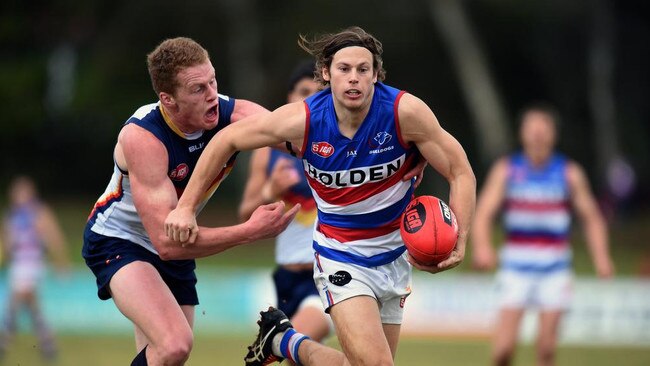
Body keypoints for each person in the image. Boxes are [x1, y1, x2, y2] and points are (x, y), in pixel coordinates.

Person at [165, 27, 476, 366]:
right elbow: (226, 140)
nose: (353, 79)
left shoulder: (405, 113)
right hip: (341, 255)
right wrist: (185, 207)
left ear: (376, 74)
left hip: (396, 257)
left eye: (363, 69)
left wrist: (460, 238)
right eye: (344, 69)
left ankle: (284, 341)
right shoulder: (305, 119)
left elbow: (460, 171)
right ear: (327, 73)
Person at [81, 37, 300, 366]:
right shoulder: (144, 138)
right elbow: (168, 244)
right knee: (174, 344)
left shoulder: (230, 113)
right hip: (120, 240)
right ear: (168, 99)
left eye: (213, 80)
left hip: (176, 240)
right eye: (198, 89)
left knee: (168, 358)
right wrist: (250, 231)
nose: (212, 94)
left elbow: (294, 137)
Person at [471, 102, 614, 366]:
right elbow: (483, 213)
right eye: (531, 128)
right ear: (522, 133)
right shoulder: (507, 170)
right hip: (515, 268)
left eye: (543, 128)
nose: (537, 134)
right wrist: (483, 247)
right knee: (503, 349)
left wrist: (602, 258)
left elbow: (592, 218)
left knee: (546, 349)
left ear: (553, 134)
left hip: (554, 269)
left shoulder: (568, 173)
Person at [238, 60, 331, 342]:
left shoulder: (339, 149)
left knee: (289, 343)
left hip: (327, 274)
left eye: (319, 94)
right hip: (287, 277)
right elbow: (245, 215)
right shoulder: (268, 153)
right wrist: (271, 190)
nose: (310, 101)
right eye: (304, 92)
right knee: (296, 356)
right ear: (289, 99)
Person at [0, 176, 70, 361]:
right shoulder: (12, 216)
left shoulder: (39, 212)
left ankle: (4, 341)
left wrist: (60, 262)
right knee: (32, 308)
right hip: (18, 265)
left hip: (34, 264)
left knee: (17, 300)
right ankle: (48, 345)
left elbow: (54, 237)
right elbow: (6, 246)